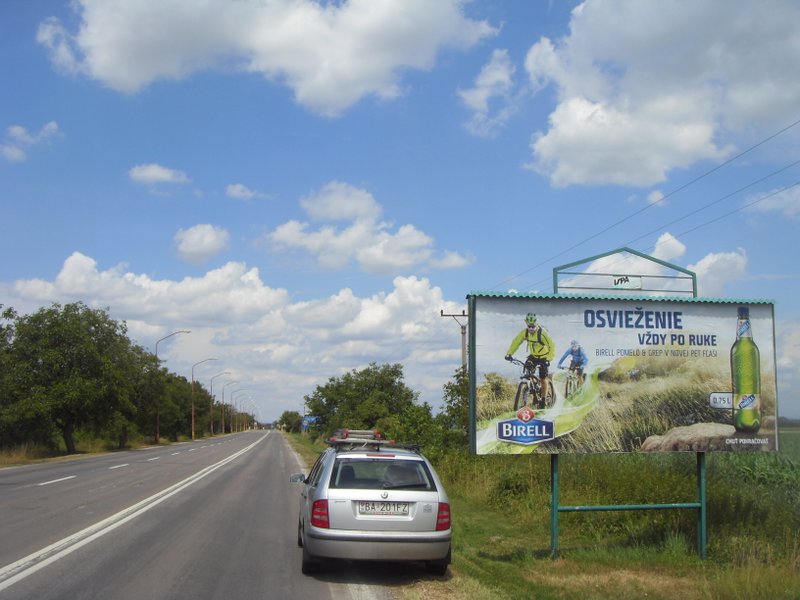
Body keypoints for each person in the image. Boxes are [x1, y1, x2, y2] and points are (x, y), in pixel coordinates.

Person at [504, 313, 555, 382]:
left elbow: (551, 346)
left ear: (536, 324)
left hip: (544, 357)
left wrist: (548, 359)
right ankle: (532, 387)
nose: (531, 329)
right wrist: (509, 354)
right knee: (528, 373)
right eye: (529, 326)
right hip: (533, 356)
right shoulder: (525, 332)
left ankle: (544, 393)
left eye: (533, 327)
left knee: (543, 379)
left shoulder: (542, 333)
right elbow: (516, 342)